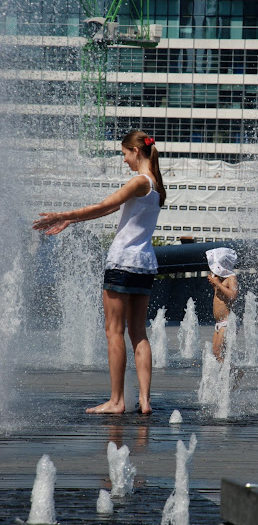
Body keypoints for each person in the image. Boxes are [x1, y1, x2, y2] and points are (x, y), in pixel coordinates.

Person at [33, 130, 166, 415]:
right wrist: (72, 221)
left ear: (136, 151)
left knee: (114, 332)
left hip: (121, 263)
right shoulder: (155, 184)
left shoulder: (139, 181)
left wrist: (63, 215)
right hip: (144, 263)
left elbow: (106, 203)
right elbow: (112, 208)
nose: (124, 160)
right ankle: (144, 400)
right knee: (139, 333)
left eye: (125, 154)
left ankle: (117, 401)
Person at [206, 247, 238, 361]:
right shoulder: (219, 278)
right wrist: (214, 284)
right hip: (218, 323)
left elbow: (233, 295)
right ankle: (230, 370)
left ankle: (231, 371)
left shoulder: (231, 278)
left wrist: (218, 284)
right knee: (216, 353)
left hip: (226, 322)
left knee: (219, 353)